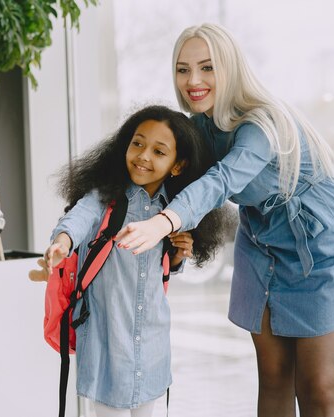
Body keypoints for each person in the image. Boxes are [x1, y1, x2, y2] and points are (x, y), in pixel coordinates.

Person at [114, 23, 334, 417]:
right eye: (183, 70)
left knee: (318, 387)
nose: (193, 81)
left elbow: (222, 180)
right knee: (273, 376)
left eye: (207, 67)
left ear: (230, 68)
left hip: (322, 245)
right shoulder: (197, 129)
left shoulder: (260, 124)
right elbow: (166, 176)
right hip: (262, 243)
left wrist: (163, 222)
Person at [30, 105, 231, 417]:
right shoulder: (106, 197)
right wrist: (62, 242)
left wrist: (177, 255)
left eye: (158, 151)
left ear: (177, 166)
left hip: (152, 342)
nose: (143, 156)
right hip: (107, 340)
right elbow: (79, 217)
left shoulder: (174, 212)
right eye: (137, 143)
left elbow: (161, 272)